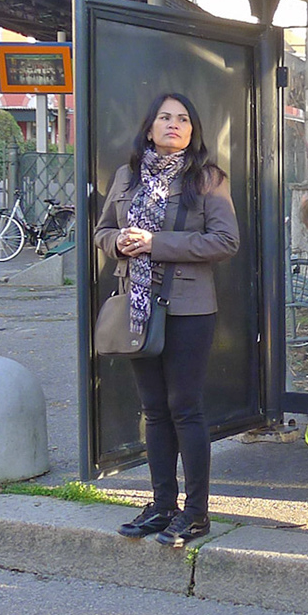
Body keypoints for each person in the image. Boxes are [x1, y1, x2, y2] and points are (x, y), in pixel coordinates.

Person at [96, 92, 242, 547]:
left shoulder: (207, 179)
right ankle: (162, 506)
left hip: (188, 308)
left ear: (193, 131)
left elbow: (225, 241)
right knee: (154, 411)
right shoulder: (127, 176)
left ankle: (196, 515)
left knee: (184, 408)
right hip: (137, 304)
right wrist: (119, 242)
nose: (173, 124)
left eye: (182, 119)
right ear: (150, 127)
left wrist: (155, 243)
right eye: (164, 117)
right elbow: (102, 230)